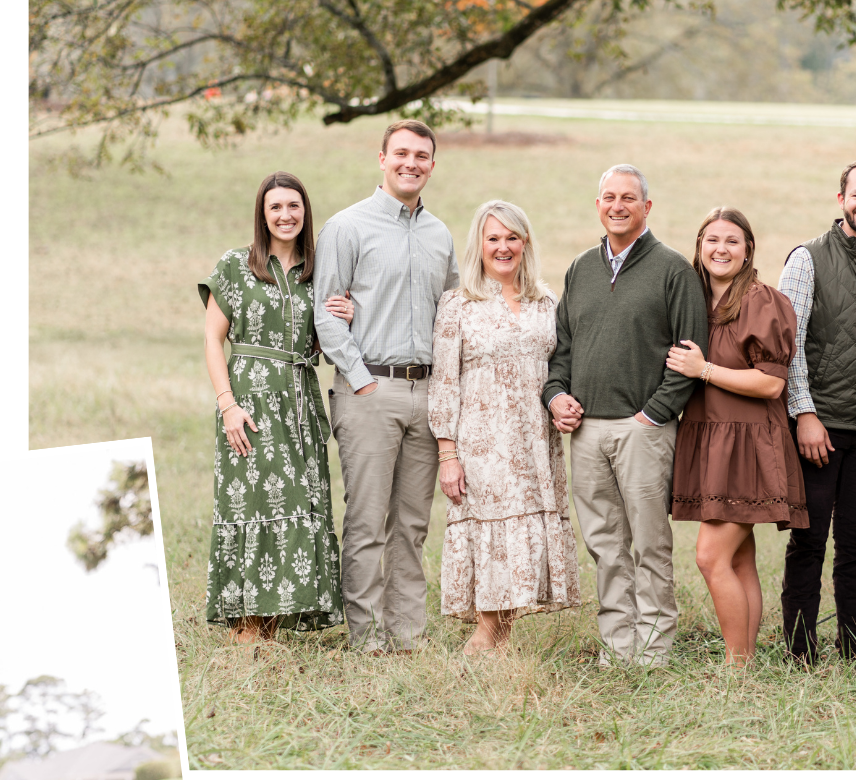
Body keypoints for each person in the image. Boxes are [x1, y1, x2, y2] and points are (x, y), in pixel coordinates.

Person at [540, 164, 706, 665]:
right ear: (598, 205)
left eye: (628, 198)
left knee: (649, 543)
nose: (618, 205)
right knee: (605, 544)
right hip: (586, 430)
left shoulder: (673, 269)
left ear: (647, 207)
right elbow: (562, 347)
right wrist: (556, 394)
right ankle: (617, 647)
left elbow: (690, 350)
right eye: (609, 197)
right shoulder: (581, 268)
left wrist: (654, 414)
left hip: (644, 429)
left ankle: (654, 647)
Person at [313, 121, 459, 653]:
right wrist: (360, 379)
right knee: (367, 520)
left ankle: (408, 634)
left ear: (432, 166)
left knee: (412, 525)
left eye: (421, 155)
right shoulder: (347, 227)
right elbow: (326, 313)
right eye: (401, 153)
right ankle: (367, 637)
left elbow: (453, 313)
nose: (411, 163)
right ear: (381, 158)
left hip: (427, 395)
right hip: (369, 389)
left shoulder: (439, 234)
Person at [424, 200, 579, 652]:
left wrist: (563, 404)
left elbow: (560, 369)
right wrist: (448, 454)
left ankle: (499, 644)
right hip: (482, 444)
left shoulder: (546, 303)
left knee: (521, 536)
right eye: (493, 238)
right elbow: (445, 384)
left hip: (534, 443)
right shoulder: (458, 304)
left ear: (525, 242)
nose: (503, 246)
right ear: (479, 245)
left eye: (512, 237)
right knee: (490, 532)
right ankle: (481, 646)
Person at [200, 172, 343, 643]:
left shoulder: (317, 271)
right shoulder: (236, 266)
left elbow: (323, 343)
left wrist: (345, 316)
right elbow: (212, 339)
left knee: (299, 505)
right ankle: (246, 629)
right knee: (256, 505)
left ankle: (273, 625)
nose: (286, 215)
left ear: (306, 212)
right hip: (250, 404)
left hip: (299, 403)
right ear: (263, 215)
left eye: (294, 206)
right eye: (276, 207)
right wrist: (228, 406)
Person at [777, 159, 856, 664]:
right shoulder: (807, 260)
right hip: (819, 425)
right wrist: (804, 413)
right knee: (808, 543)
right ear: (841, 199)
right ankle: (798, 651)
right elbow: (788, 345)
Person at [665, 208, 807, 665]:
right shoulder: (693, 299)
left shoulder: (763, 301)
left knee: (710, 557)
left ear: (748, 250)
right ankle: (742, 661)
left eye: (731, 241)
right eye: (711, 240)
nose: (720, 249)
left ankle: (735, 663)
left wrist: (703, 369)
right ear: (699, 245)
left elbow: (770, 384)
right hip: (709, 438)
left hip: (748, 443)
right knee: (739, 558)